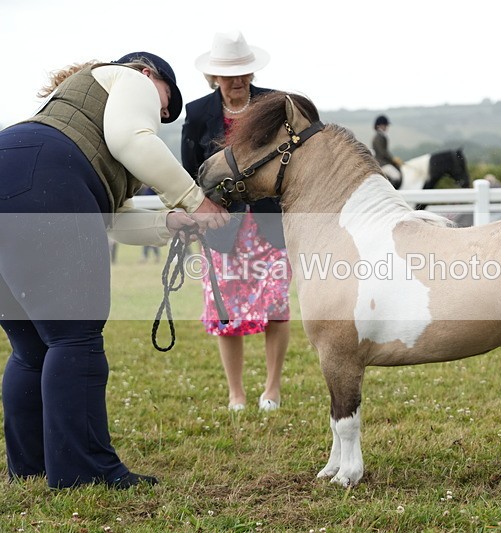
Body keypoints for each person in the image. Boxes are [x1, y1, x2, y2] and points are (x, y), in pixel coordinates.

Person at [0, 52, 230, 490]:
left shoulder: (75, 121)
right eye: (167, 99)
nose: (163, 113)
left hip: (13, 175)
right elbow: (132, 140)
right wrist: (195, 199)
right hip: (45, 181)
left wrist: (169, 221)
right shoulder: (129, 79)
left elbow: (112, 217)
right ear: (147, 73)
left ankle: (30, 468)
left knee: (31, 346)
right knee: (75, 337)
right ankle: (84, 473)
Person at [182, 30, 291, 413]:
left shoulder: (276, 104)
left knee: (276, 303)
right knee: (225, 310)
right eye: (228, 75)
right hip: (220, 228)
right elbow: (188, 175)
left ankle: (273, 388)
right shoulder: (197, 114)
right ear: (214, 77)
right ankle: (236, 393)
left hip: (269, 224)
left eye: (243, 72)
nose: (237, 81)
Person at [372, 115, 403, 188]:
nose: (387, 127)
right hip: (382, 163)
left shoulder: (381, 136)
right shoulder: (379, 137)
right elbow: (383, 153)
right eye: (385, 125)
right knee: (396, 176)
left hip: (383, 162)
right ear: (379, 125)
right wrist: (393, 160)